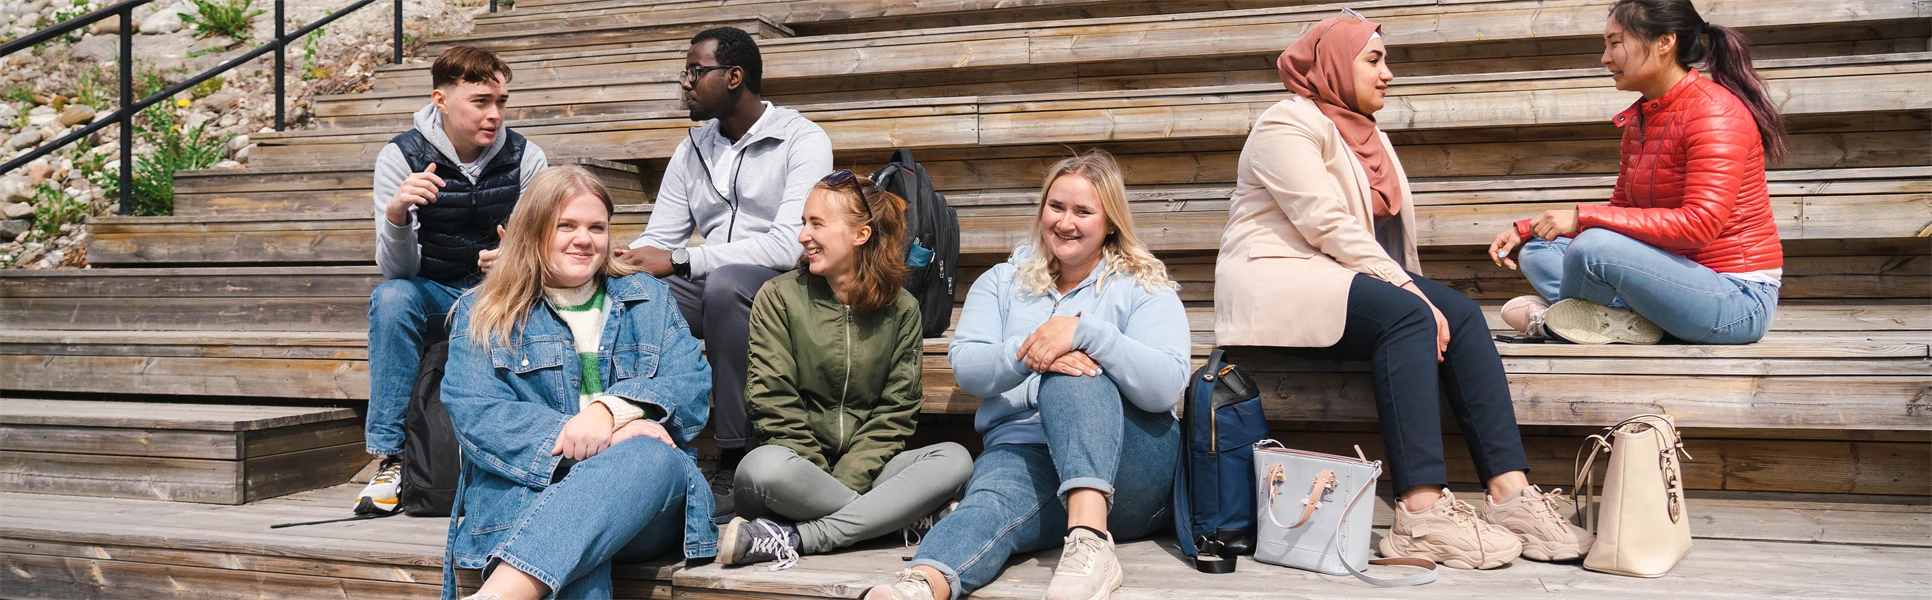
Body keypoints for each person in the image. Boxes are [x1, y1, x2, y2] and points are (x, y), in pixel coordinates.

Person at [1213, 13, 1593, 570]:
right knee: (1412, 316)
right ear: (1334, 65)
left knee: (1460, 313)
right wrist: (1410, 298)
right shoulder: (1286, 125)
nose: (1387, 74)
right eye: (1373, 60)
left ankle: (1511, 496)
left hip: (1336, 277)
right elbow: (1327, 224)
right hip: (1277, 279)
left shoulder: (1368, 134)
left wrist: (1422, 297)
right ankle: (1419, 514)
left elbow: (1382, 241)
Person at [866, 151, 1186, 600]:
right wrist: (1032, 355)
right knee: (989, 504)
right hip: (1025, 451)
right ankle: (921, 585)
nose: (1065, 222)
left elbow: (1167, 386)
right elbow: (969, 368)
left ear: (1110, 221)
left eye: (1083, 212)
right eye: (1056, 207)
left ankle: (1092, 543)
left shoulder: (1144, 285)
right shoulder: (1001, 281)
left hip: (1130, 467)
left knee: (1073, 375)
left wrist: (1086, 333)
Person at [438, 167, 715, 600]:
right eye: (566, 225)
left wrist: (610, 414)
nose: (584, 239)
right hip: (528, 497)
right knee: (574, 541)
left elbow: (691, 386)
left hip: (639, 504)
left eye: (596, 227)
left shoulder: (647, 297)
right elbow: (478, 413)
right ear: (533, 230)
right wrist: (582, 436)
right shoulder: (483, 309)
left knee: (652, 455)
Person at [617, 27, 835, 515]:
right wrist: (619, 261)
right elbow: (661, 238)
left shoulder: (802, 139)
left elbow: (789, 244)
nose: (686, 83)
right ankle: (642, 439)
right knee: (634, 291)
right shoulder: (692, 148)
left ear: (734, 77)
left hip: (790, 286)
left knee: (726, 285)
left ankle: (735, 452)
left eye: (696, 71)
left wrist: (681, 260)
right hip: (713, 283)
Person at [1490, 0, 1787, 345]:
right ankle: (1613, 320)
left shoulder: (1714, 113)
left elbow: (1700, 225)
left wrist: (1581, 218)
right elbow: (1624, 213)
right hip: (1673, 276)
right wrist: (1532, 228)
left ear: (1665, 42)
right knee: (1540, 248)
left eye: (1615, 43)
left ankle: (1564, 320)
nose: (1605, 57)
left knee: (1593, 247)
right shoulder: (1643, 119)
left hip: (1736, 298)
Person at [717, 170, 974, 569]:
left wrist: (848, 479)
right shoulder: (779, 298)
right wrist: (823, 480)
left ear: (861, 235)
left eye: (816, 223)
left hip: (868, 470)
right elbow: (773, 405)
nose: (803, 235)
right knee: (760, 468)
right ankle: (890, 522)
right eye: (804, 223)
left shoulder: (903, 309)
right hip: (790, 472)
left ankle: (797, 537)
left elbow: (896, 412)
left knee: (955, 458)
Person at [359, 45, 549, 513]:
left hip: (499, 293)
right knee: (392, 299)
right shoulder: (401, 156)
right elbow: (398, 271)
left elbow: (542, 253)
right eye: (481, 101)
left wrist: (512, 262)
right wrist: (398, 216)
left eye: (501, 102)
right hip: (434, 291)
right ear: (440, 100)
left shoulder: (527, 158)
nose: (495, 114)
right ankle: (393, 458)